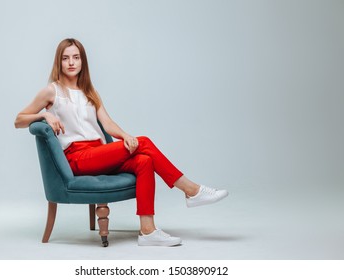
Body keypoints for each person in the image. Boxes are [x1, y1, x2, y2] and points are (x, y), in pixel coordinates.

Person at [15, 38, 228, 247]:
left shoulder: (90, 92)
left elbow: (107, 123)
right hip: (77, 157)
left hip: (99, 152)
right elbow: (19, 120)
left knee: (144, 160)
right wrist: (44, 116)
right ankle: (191, 190)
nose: (71, 63)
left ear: (83, 61)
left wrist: (125, 136)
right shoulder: (52, 91)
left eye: (76, 57)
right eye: (66, 58)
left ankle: (148, 230)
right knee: (144, 142)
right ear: (58, 62)